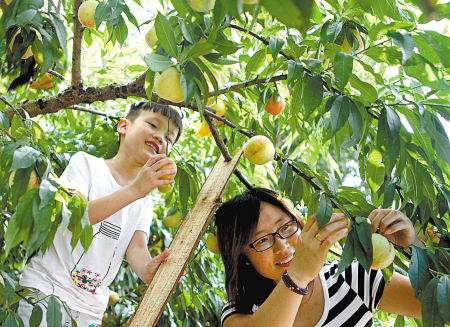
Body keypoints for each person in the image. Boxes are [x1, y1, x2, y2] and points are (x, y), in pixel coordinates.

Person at [18, 102, 183, 327]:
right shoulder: (85, 164)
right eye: (153, 125)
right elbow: (74, 219)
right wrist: (136, 189)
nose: (161, 137)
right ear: (123, 126)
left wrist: (147, 271)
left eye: (169, 138)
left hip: (90, 311)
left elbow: (136, 248)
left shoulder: (145, 199)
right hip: (45, 291)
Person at [215, 188, 423, 327]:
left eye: (286, 227)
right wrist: (298, 275)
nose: (282, 245)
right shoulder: (240, 311)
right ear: (243, 257)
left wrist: (415, 249)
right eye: (262, 241)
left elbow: (439, 308)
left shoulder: (351, 278)